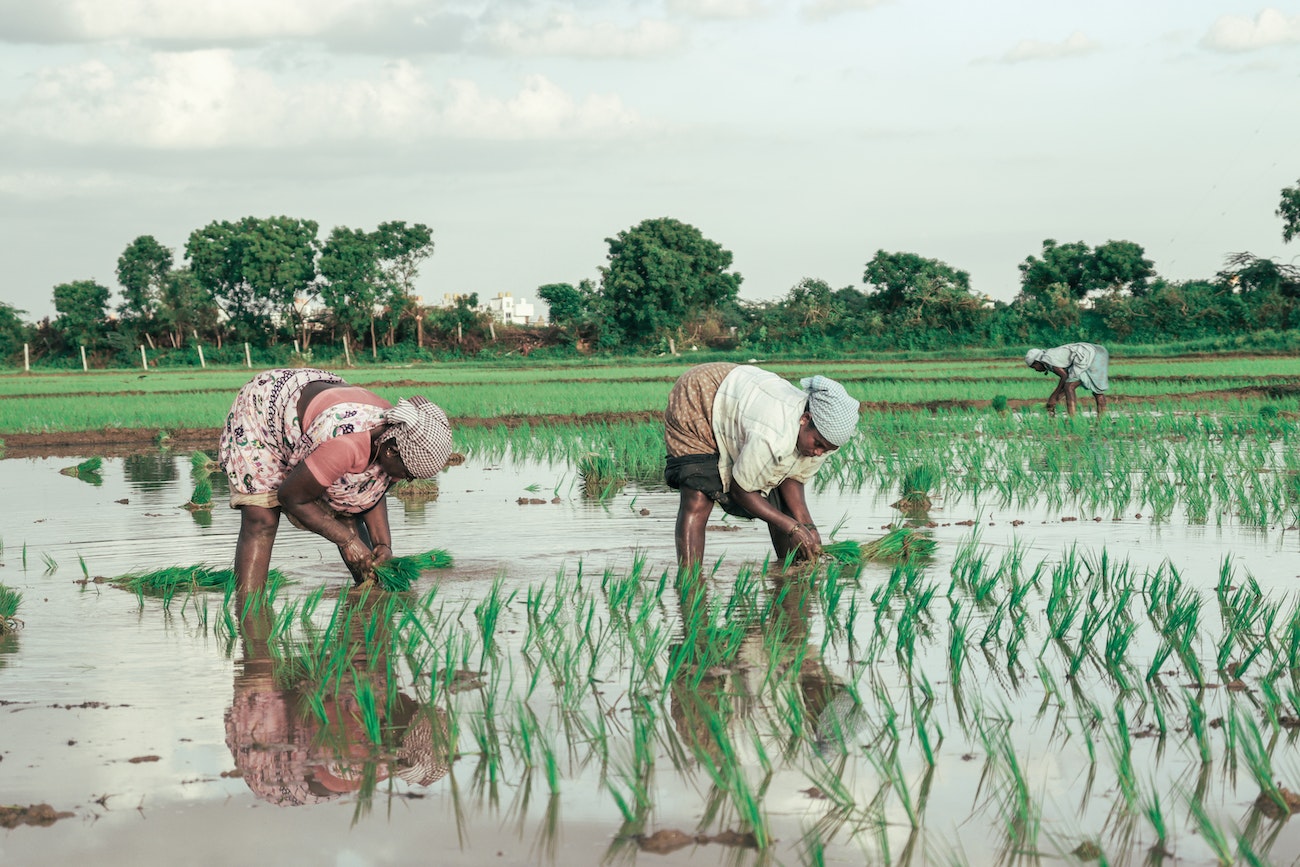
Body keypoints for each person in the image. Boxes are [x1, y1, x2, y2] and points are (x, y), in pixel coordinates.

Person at [218, 368, 453, 590]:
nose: (408, 480)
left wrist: (383, 545)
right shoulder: (345, 446)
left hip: (316, 402)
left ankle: (371, 593)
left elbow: (372, 491)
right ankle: (247, 607)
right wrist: (347, 541)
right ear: (391, 451)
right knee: (261, 520)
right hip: (264, 408)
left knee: (348, 507)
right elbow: (291, 497)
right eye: (408, 474)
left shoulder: (395, 435)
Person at [663, 363, 860, 571]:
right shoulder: (773, 435)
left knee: (783, 506)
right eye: (818, 444)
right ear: (805, 418)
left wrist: (807, 525)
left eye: (827, 449)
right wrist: (792, 527)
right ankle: (689, 580)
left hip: (743, 402)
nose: (819, 452)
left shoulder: (823, 438)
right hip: (701, 394)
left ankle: (789, 576)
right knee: (698, 493)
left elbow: (793, 476)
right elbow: (741, 490)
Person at [1024, 343, 1109, 417]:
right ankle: (1102, 419)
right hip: (1094, 353)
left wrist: (1053, 396)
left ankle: (1072, 418)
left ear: (1037, 362)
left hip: (1088, 355)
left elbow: (1064, 377)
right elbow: (1068, 379)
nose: (1036, 370)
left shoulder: (1047, 360)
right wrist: (1057, 398)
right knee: (1096, 391)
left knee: (1069, 387)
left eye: (1034, 367)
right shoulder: (1049, 357)